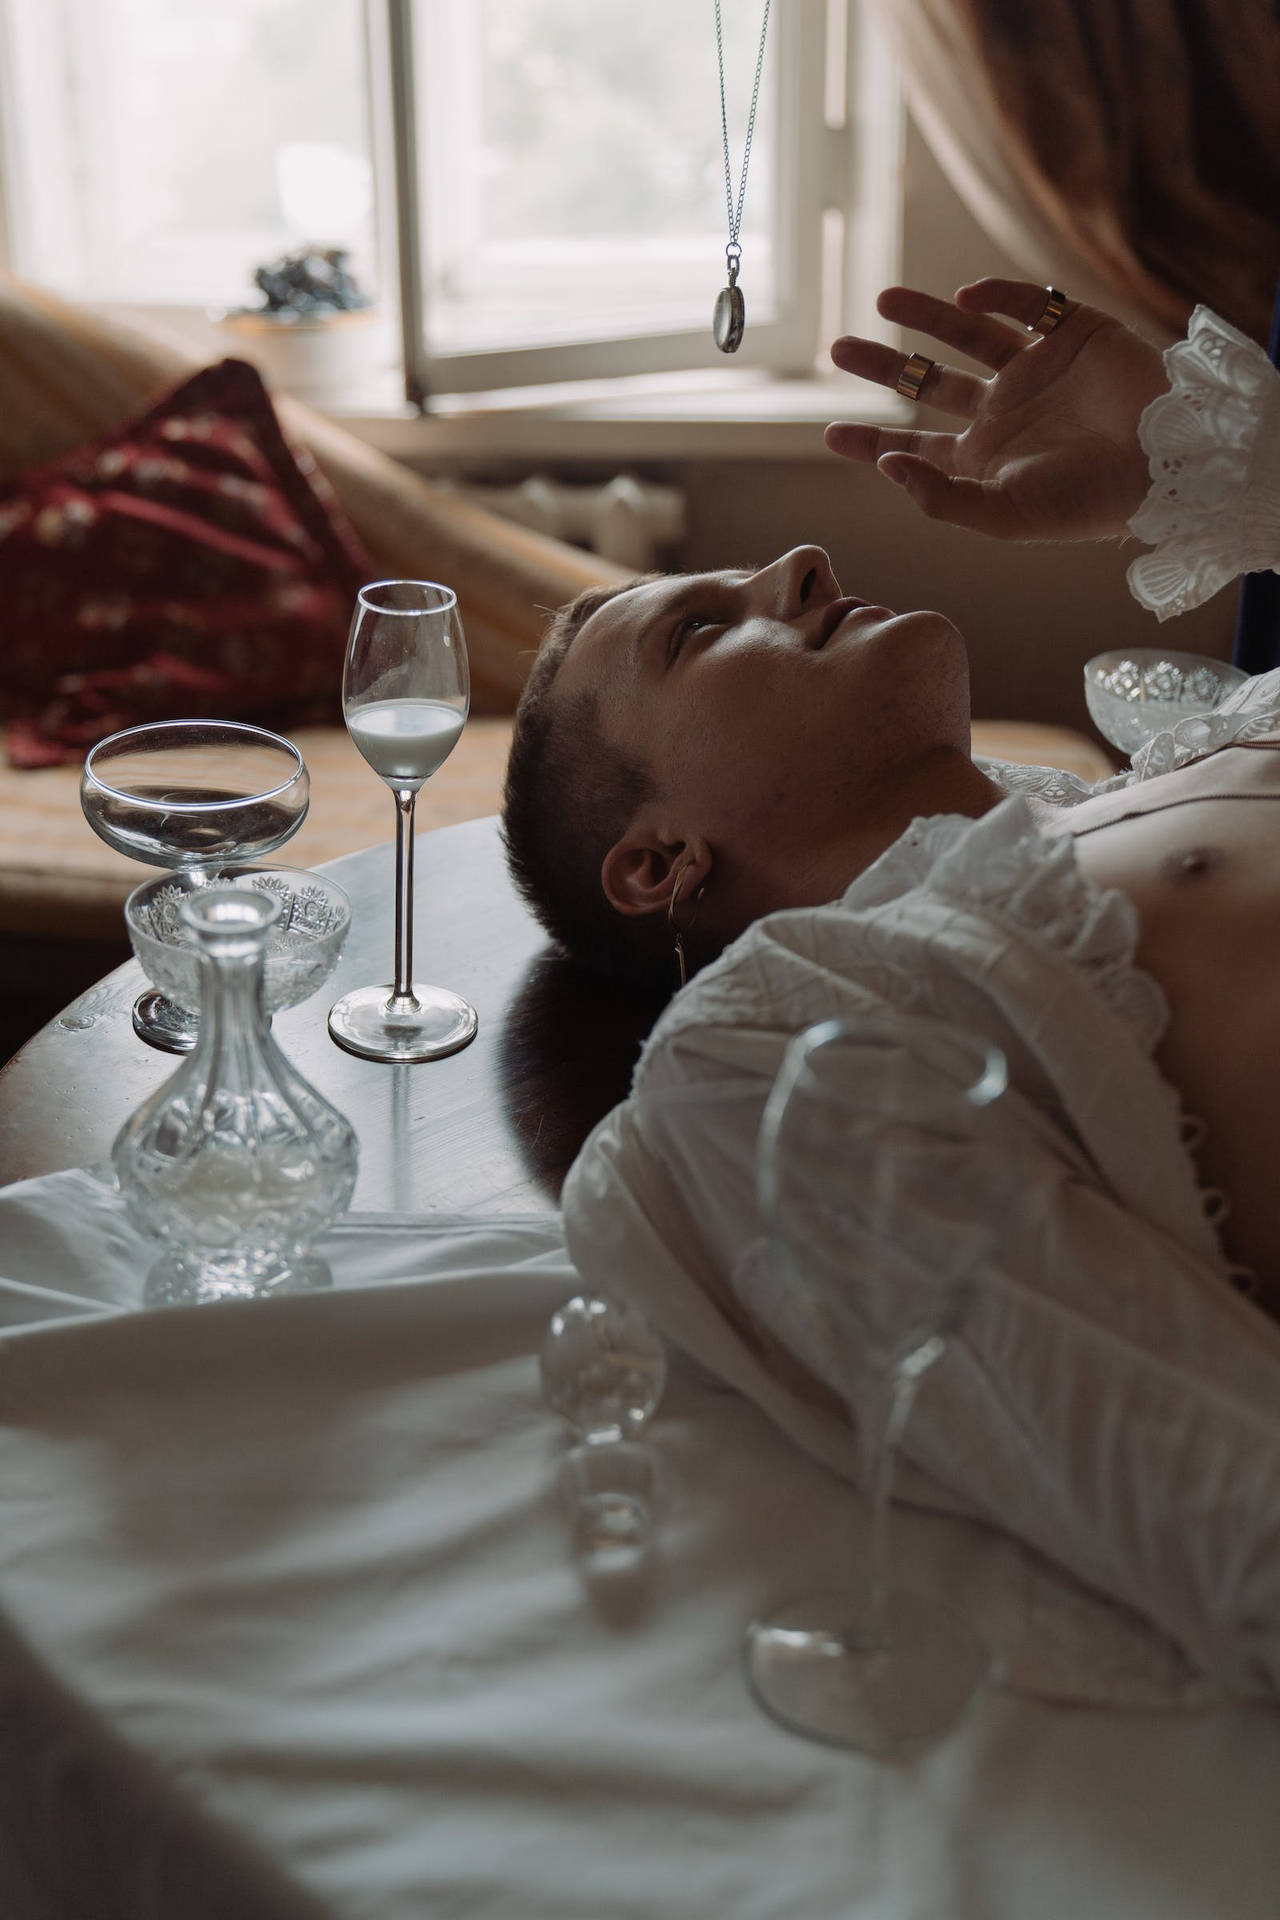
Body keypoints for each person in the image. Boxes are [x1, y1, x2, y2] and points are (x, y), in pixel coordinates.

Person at [502, 278, 1280, 1693]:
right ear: (659, 858)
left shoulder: (1180, 760)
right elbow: (1198, 1485)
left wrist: (1217, 459)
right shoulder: (793, 1043)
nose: (797, 560)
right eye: (698, 631)